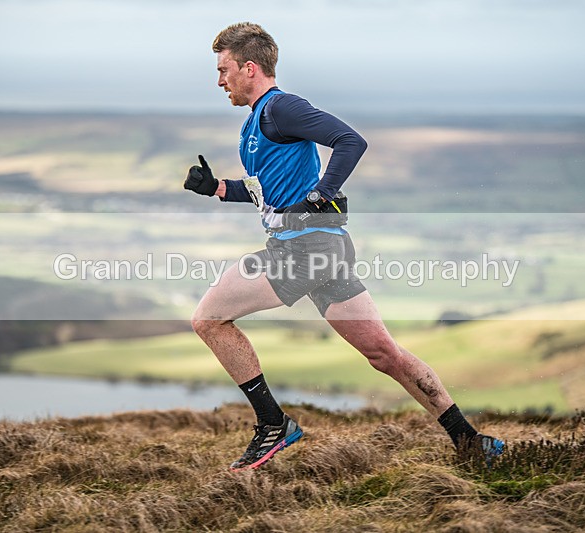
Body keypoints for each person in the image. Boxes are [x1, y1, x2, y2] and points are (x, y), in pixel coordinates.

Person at [184, 22, 504, 471]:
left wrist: (323, 193)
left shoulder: (281, 108)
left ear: (249, 68)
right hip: (324, 250)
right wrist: (216, 187)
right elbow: (266, 191)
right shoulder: (258, 122)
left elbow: (351, 141)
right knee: (384, 355)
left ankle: (273, 425)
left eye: (224, 70)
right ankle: (470, 442)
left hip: (302, 250)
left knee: (208, 319)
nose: (220, 80)